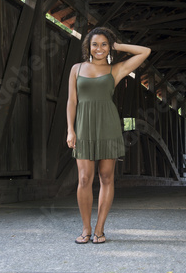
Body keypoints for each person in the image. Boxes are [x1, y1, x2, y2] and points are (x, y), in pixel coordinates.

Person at [66, 27, 151, 244]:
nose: (100, 48)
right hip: (83, 126)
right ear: (88, 46)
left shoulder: (116, 70)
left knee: (106, 177)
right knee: (84, 178)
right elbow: (72, 101)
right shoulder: (77, 69)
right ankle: (85, 229)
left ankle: (100, 230)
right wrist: (70, 129)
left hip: (108, 126)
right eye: (95, 44)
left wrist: (118, 45)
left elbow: (145, 51)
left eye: (104, 44)